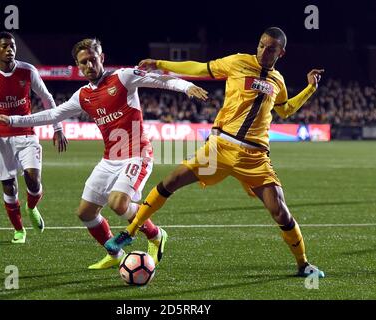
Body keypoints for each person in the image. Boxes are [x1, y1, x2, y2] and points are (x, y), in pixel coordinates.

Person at [104, 27, 326, 278]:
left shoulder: (278, 81)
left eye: (271, 48)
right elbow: (199, 68)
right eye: (262, 45)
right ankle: (130, 231)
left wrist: (310, 89)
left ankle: (303, 264)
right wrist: (159, 63)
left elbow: (285, 110)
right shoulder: (237, 62)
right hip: (219, 148)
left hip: (254, 157)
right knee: (170, 182)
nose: (264, 51)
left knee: (281, 212)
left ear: (281, 53)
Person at [0, 38, 208, 269]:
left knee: (118, 203)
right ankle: (116, 256)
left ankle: (155, 235)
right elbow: (53, 115)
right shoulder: (82, 95)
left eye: (93, 60)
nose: (89, 65)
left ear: (101, 58)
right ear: (78, 65)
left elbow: (158, 79)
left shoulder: (122, 77)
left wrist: (186, 86)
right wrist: (12, 120)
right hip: (109, 159)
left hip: (137, 154)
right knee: (85, 212)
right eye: (83, 62)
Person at [0, 31, 68, 244]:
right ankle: (19, 230)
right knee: (9, 187)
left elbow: (47, 98)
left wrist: (58, 128)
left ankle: (32, 206)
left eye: (13, 46)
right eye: (5, 46)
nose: (10, 50)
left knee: (33, 180)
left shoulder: (28, 71)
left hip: (26, 133)